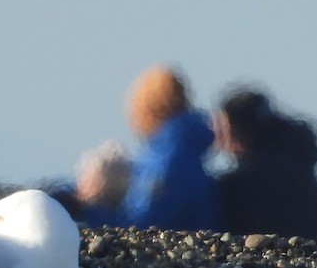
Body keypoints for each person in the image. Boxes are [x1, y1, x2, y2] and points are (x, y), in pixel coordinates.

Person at [74, 65, 219, 231]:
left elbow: (142, 226)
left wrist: (88, 208)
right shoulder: (184, 152)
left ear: (145, 108)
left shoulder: (166, 161)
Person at [212, 86, 317, 241]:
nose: (214, 131)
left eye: (221, 125)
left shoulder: (240, 184)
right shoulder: (301, 169)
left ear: (235, 129)